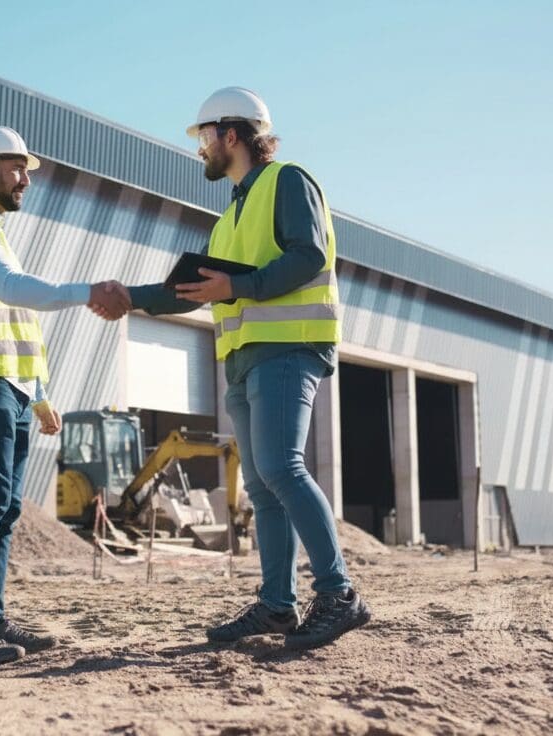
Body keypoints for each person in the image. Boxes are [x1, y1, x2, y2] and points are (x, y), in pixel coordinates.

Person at [104, 88, 370, 650]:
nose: (200, 149)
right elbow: (194, 289)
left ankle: (340, 595)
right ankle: (277, 606)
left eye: (204, 137)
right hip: (245, 358)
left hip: (287, 347)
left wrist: (239, 285)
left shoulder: (288, 181)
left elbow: (309, 255)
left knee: (282, 467)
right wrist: (131, 297)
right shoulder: (230, 216)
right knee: (263, 485)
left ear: (231, 134)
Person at [0, 126, 129, 666]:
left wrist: (38, 396)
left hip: (10, 386)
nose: (25, 179)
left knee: (8, 506)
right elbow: (15, 290)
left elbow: (17, 323)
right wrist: (87, 292)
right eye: (17, 168)